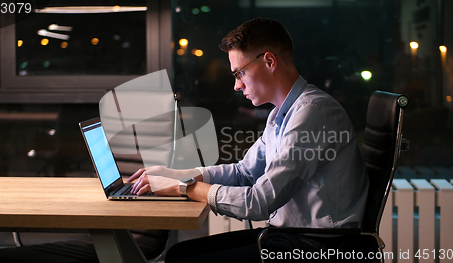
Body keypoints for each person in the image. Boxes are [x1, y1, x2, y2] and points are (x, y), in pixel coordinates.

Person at [128, 17, 368, 262]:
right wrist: (177, 175)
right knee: (179, 254)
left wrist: (185, 188)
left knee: (181, 260)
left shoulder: (313, 112)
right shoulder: (281, 113)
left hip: (315, 247)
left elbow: (259, 202)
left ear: (269, 61)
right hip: (288, 236)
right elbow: (244, 172)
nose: (236, 85)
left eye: (240, 72)